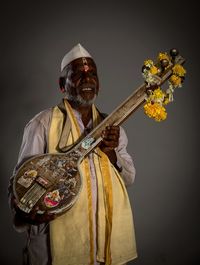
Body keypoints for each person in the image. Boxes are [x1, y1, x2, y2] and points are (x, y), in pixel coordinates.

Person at [8, 43, 137, 265]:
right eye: (77, 75)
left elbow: (129, 179)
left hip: (103, 247)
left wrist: (111, 154)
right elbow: (20, 183)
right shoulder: (43, 123)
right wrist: (25, 211)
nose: (87, 79)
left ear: (99, 84)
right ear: (62, 85)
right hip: (53, 248)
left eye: (92, 75)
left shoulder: (113, 128)